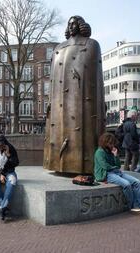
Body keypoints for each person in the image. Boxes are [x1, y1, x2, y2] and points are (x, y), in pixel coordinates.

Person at [43, 15, 105, 174]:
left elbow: (94, 76)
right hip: (58, 101)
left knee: (82, 131)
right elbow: (52, 78)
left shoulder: (92, 45)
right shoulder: (58, 48)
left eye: (74, 23)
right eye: (69, 24)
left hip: (83, 100)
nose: (71, 26)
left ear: (81, 25)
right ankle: (57, 162)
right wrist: (50, 100)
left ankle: (83, 164)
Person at [94, 132, 140, 215]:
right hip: (106, 174)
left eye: (112, 143)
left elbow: (118, 165)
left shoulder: (110, 151)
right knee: (126, 184)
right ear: (105, 143)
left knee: (138, 182)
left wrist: (115, 156)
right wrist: (114, 167)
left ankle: (137, 206)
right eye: (110, 143)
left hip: (116, 172)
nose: (112, 145)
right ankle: (132, 207)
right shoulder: (99, 152)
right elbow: (105, 166)